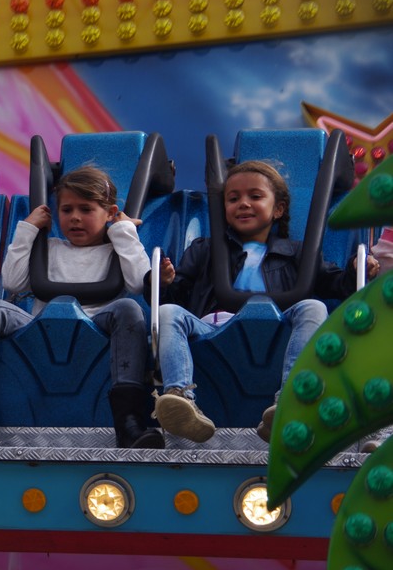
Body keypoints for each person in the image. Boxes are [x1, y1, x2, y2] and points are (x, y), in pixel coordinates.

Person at [0, 165, 164, 449]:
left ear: (110, 213)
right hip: (41, 328)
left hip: (97, 327)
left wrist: (123, 231)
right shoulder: (50, 248)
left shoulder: (118, 248)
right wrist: (28, 229)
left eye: (86, 209)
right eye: (67, 210)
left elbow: (138, 282)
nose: (75, 217)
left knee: (129, 309)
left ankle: (129, 423)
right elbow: (12, 281)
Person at [148, 160, 380, 443]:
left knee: (314, 307)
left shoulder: (297, 253)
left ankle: (292, 399)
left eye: (255, 196)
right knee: (168, 312)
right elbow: (177, 296)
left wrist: (357, 269)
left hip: (277, 330)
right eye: (233, 199)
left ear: (278, 209)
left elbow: (337, 283)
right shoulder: (205, 249)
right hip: (215, 329)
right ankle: (180, 398)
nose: (243, 204)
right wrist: (163, 281)